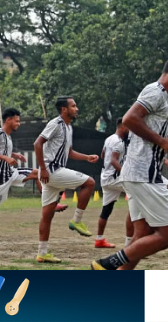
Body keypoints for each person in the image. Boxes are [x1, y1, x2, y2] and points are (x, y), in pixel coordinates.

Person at [93, 52, 168, 270]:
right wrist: (162, 141)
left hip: (139, 173)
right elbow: (130, 119)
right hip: (143, 175)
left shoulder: (162, 96)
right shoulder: (156, 92)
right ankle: (108, 263)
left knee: (142, 234)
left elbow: (148, 132)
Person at [33, 96, 99, 263]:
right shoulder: (56, 123)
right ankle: (76, 221)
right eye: (73, 106)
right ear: (64, 109)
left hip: (51, 174)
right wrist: (43, 168)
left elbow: (69, 152)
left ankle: (42, 253)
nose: (77, 109)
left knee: (47, 215)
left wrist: (86, 157)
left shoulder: (68, 128)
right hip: (52, 171)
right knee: (89, 183)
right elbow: (37, 143)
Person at [0, 108, 38, 255]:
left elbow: (1, 151)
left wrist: (14, 154)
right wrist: (6, 158)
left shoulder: (8, 137)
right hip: (0, 179)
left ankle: (51, 203)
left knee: (37, 173)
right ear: (8, 120)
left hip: (11, 173)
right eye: (17, 121)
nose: (19, 123)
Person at [95, 118, 131, 248]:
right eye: (129, 127)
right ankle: (129, 244)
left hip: (105, 177)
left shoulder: (109, 139)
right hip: (115, 178)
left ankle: (99, 240)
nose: (130, 131)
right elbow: (113, 160)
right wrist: (124, 173)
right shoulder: (119, 142)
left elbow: (103, 155)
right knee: (136, 200)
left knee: (107, 209)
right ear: (122, 127)